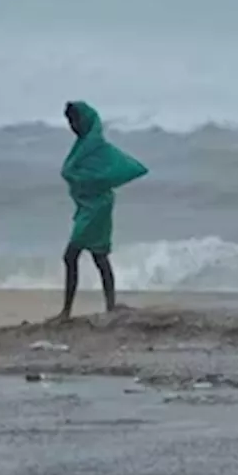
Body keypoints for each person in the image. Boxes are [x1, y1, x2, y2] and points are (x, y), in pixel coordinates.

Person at [54, 101, 148, 321]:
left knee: (73, 255)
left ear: (85, 120)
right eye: (70, 121)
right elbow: (74, 173)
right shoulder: (82, 146)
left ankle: (68, 312)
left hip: (98, 208)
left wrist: (89, 181)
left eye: (75, 120)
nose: (73, 125)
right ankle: (109, 305)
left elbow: (121, 168)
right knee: (99, 257)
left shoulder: (97, 147)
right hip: (88, 207)